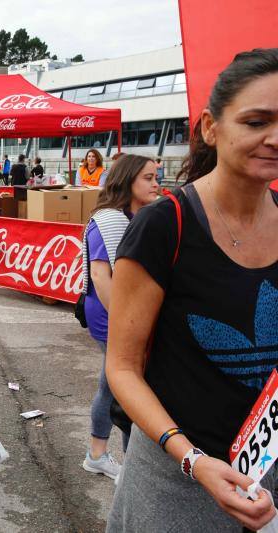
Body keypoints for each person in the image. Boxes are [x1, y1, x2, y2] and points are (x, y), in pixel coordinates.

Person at [106, 49, 278, 531]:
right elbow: (122, 368)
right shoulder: (165, 225)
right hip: (177, 479)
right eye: (256, 120)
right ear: (210, 127)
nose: (275, 137)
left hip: (269, 473)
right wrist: (191, 459)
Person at [80, 154, 160, 482]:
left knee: (112, 383)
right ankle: (128, 469)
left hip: (125, 315)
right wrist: (126, 324)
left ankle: (98, 455)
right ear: (128, 180)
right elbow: (100, 275)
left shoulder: (141, 215)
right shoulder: (110, 219)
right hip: (109, 315)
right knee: (127, 386)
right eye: (148, 178)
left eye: (157, 176)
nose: (156, 183)